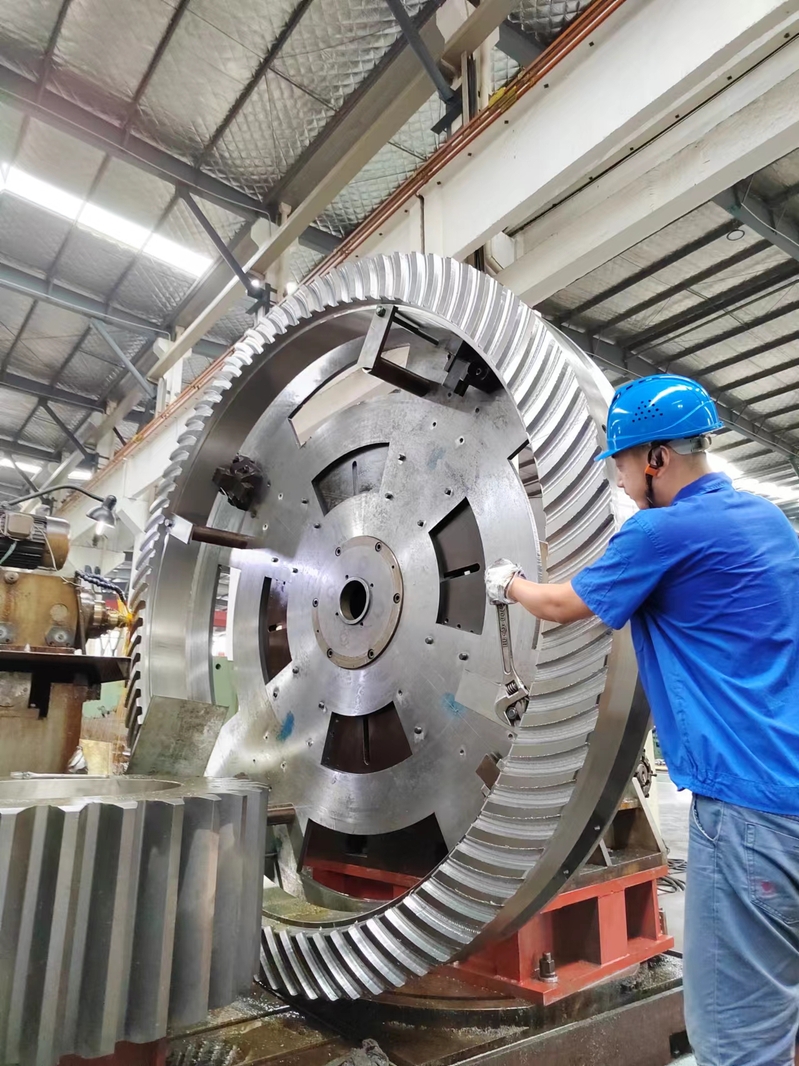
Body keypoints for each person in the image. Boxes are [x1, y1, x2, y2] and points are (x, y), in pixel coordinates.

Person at [485, 374, 799, 1066]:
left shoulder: (660, 533)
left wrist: (508, 584)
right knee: (782, 1001)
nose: (622, 484)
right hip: (789, 786)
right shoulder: (766, 520)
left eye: (622, 466)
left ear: (655, 457)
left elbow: (565, 606)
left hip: (747, 813)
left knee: (737, 1041)